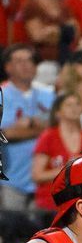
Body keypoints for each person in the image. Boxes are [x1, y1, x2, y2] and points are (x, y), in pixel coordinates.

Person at [0, 45, 55, 211]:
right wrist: (42, 126)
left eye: (30, 60)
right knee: (11, 232)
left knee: (44, 235)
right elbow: (5, 134)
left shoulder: (49, 94)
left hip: (46, 181)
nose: (26, 65)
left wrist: (27, 124)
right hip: (11, 181)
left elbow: (59, 128)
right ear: (7, 67)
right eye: (19, 61)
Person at [31, 94, 82, 211]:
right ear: (58, 113)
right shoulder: (48, 137)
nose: (74, 108)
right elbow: (37, 175)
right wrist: (68, 168)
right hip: (51, 204)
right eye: (68, 105)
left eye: (77, 104)